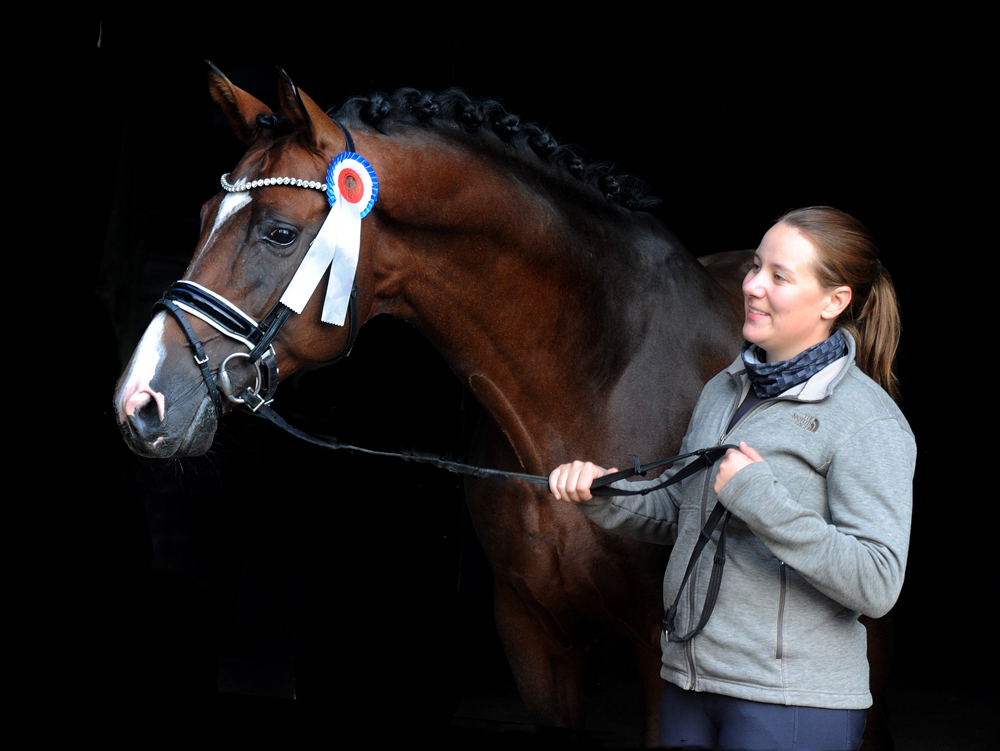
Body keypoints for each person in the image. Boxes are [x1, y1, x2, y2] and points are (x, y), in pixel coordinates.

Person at [549, 207, 915, 751]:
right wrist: (603, 493)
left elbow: (877, 583)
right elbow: (684, 511)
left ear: (834, 301)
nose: (752, 286)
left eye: (779, 276)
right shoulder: (724, 387)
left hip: (790, 702)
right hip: (690, 683)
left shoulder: (868, 421)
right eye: (755, 267)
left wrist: (762, 501)